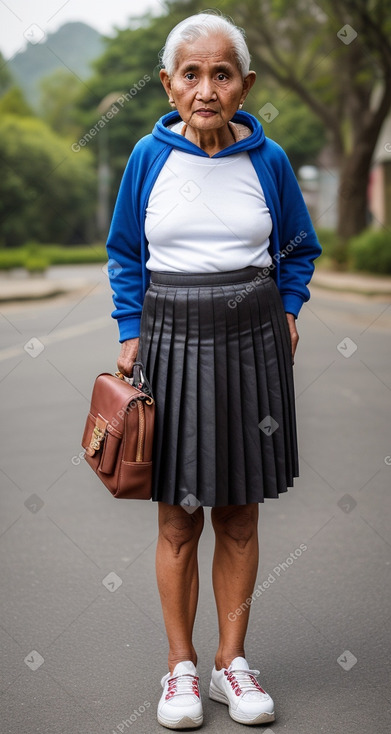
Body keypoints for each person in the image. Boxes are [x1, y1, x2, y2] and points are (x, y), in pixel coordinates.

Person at [106, 12, 321, 730]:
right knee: (177, 519)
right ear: (167, 85)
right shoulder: (146, 157)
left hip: (252, 339)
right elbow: (125, 252)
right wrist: (131, 331)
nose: (206, 88)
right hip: (168, 337)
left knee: (237, 513)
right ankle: (180, 670)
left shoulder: (269, 160)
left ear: (244, 84)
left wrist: (288, 307)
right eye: (190, 74)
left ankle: (233, 662)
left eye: (220, 73)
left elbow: (299, 245)